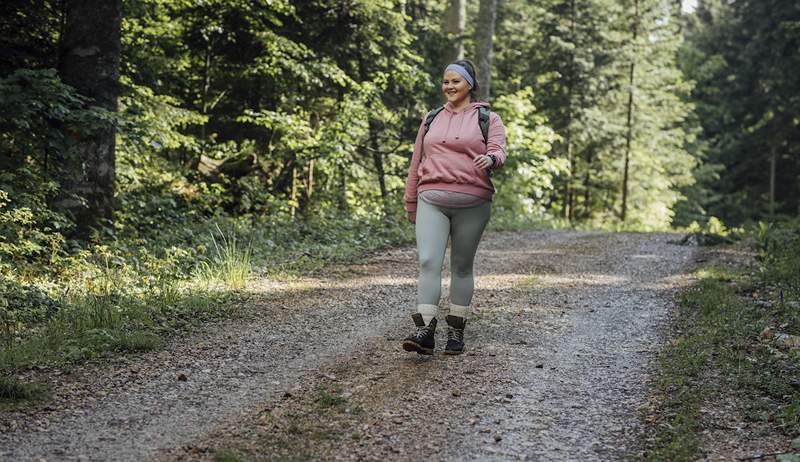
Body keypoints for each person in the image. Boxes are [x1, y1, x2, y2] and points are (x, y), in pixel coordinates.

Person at [401, 59, 507, 356]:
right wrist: (411, 201)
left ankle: (456, 331)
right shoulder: (431, 118)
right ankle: (425, 330)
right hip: (430, 199)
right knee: (428, 262)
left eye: (455, 81)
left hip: (473, 201)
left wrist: (491, 159)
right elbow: (416, 163)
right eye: (446, 81)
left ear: (469, 84)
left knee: (461, 265)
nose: (449, 86)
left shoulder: (488, 118)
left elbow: (499, 149)